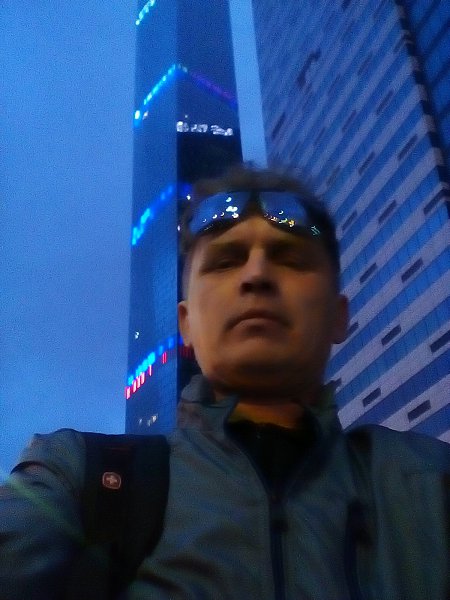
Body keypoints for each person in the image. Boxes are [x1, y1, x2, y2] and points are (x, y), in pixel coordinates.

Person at [1, 166, 449, 599]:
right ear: (185, 324)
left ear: (339, 315)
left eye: (290, 259)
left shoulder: (429, 483)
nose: (256, 276)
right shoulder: (83, 478)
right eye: (226, 261)